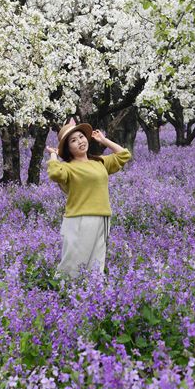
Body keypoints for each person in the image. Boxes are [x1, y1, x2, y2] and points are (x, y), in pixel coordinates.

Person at [46, 119, 132, 278]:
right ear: (68, 148)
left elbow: (124, 155)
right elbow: (55, 173)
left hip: (102, 217)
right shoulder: (68, 167)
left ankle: (91, 293)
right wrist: (53, 155)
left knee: (96, 262)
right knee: (72, 262)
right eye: (73, 140)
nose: (80, 142)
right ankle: (64, 293)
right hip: (79, 219)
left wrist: (103, 140)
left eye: (81, 137)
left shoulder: (99, 161)